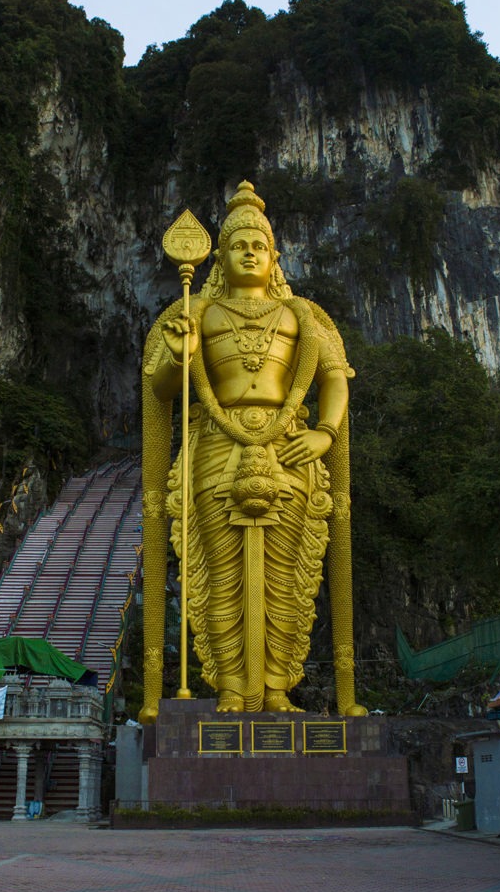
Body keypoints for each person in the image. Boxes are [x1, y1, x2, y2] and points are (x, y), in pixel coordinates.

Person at [140, 181, 363, 718]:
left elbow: (334, 377)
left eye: (258, 245)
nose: (248, 253)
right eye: (238, 245)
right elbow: (161, 388)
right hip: (217, 447)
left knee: (285, 576)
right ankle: (231, 688)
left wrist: (325, 432)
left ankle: (278, 687)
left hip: (289, 448)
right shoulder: (198, 312)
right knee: (221, 575)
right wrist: (180, 354)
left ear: (274, 256)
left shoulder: (300, 316)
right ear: (219, 257)